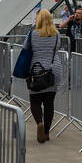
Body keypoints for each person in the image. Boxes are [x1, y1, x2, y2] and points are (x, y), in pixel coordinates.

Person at [24, 8, 65, 143]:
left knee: (35, 100)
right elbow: (57, 48)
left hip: (36, 69)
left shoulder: (32, 34)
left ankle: (39, 122)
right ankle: (46, 132)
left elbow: (26, 48)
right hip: (53, 69)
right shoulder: (57, 34)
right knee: (49, 103)